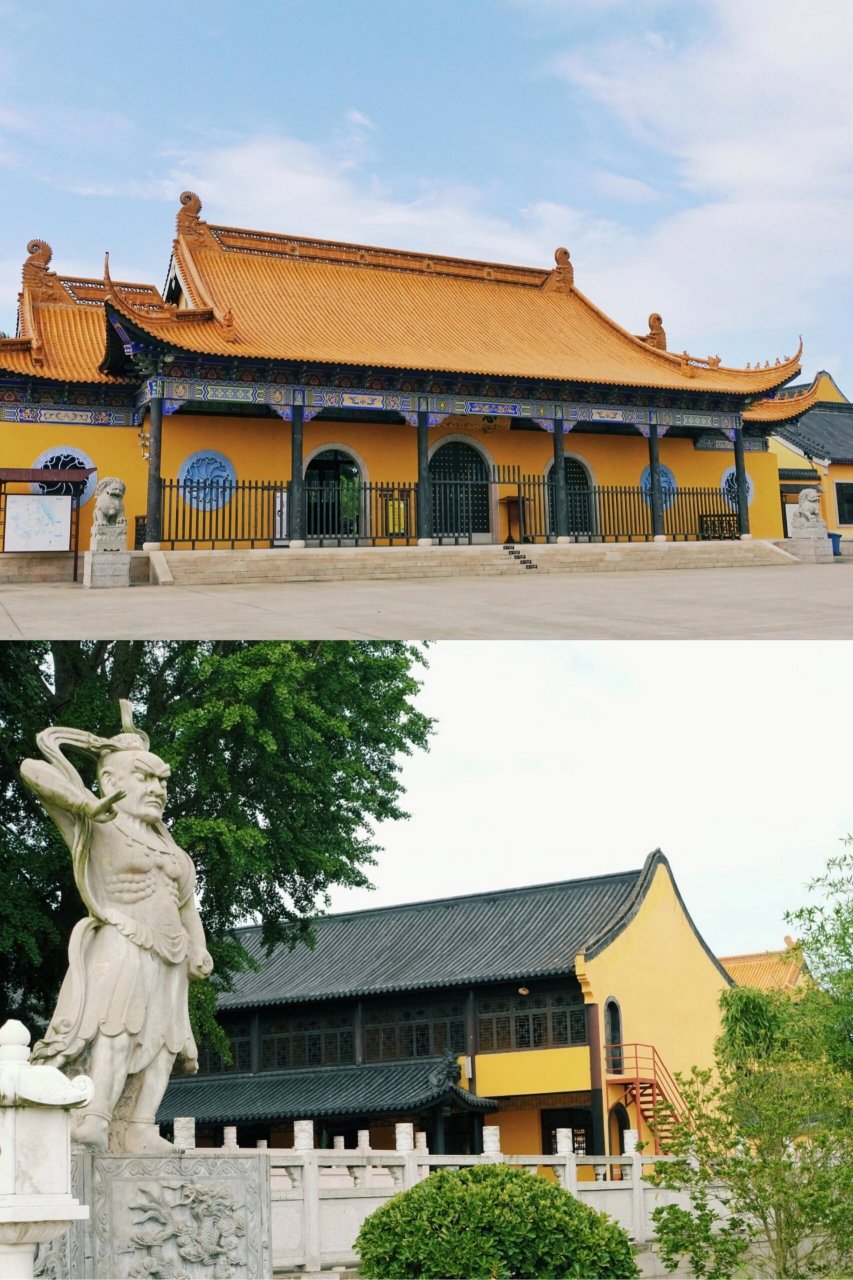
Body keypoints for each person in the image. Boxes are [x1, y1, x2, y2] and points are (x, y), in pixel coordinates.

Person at [20, 700, 213, 1152]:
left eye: (162, 781)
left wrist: (199, 947)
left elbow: (187, 906)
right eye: (144, 778)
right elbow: (32, 769)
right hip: (122, 937)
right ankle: (96, 1117)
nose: (157, 789)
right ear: (110, 781)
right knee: (116, 1028)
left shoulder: (174, 851)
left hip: (172, 951)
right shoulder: (97, 826)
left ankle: (142, 1125)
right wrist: (85, 803)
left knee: (165, 1038)